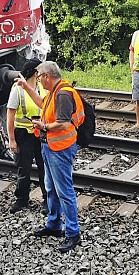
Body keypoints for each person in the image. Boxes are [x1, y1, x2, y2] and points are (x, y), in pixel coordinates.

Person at [16, 61, 83, 253]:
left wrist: (43, 126)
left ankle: (73, 232)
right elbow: (41, 103)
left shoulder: (62, 94)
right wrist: (26, 87)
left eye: (39, 77)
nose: (39, 81)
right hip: (51, 146)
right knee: (51, 188)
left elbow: (62, 124)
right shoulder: (55, 91)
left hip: (59, 148)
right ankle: (53, 224)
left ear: (47, 76)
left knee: (64, 191)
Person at [5, 59, 48, 214]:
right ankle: (21, 200)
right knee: (24, 170)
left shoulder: (43, 87)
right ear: (36, 73)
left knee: (44, 169)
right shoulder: (17, 89)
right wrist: (11, 139)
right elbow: (10, 115)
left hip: (40, 133)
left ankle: (47, 200)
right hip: (23, 134)